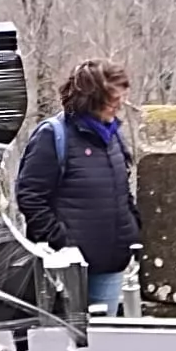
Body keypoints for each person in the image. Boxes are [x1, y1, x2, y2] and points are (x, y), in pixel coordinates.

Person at [14, 59, 141, 317]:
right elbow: (29, 197)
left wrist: (133, 229)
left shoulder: (113, 134)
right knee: (73, 347)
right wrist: (64, 242)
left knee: (107, 346)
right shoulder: (53, 136)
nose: (118, 104)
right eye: (111, 99)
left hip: (113, 263)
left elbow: (121, 188)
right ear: (91, 99)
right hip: (69, 271)